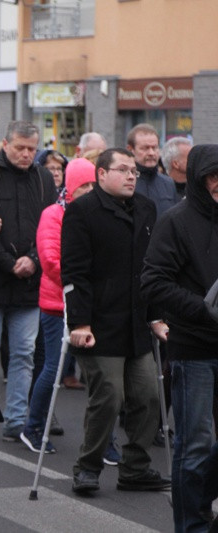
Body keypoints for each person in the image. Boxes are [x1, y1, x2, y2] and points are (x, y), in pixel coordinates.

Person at [62, 148, 170, 494]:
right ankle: (88, 467)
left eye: (133, 171)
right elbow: (75, 272)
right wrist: (80, 323)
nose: (131, 176)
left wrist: (155, 315)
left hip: (136, 321)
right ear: (101, 174)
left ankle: (135, 467)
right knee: (109, 395)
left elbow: (151, 269)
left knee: (148, 396)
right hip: (99, 323)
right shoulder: (82, 211)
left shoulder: (146, 208)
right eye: (122, 170)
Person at [141, 144, 218, 532]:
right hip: (193, 347)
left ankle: (200, 501)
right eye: (212, 176)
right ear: (199, 178)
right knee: (195, 443)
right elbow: (153, 281)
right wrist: (204, 308)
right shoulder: (176, 220)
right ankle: (191, 525)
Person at [0, 121, 57, 441]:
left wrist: (33, 259)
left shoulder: (44, 178)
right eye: (20, 148)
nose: (26, 154)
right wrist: (10, 263)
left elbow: (50, 226)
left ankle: (16, 421)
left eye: (32, 149)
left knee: (24, 353)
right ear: (5, 144)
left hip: (30, 285)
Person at [20, 158, 96, 454]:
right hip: (57, 303)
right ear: (71, 186)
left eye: (93, 185)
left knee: (101, 375)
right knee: (53, 368)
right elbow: (51, 260)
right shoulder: (53, 214)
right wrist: (84, 283)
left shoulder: (100, 213)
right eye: (83, 185)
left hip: (93, 304)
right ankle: (33, 426)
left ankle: (104, 441)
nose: (89, 191)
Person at [126, 123, 179, 219]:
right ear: (130, 150)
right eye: (145, 148)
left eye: (154, 148)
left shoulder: (168, 183)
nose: (151, 153)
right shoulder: (125, 182)